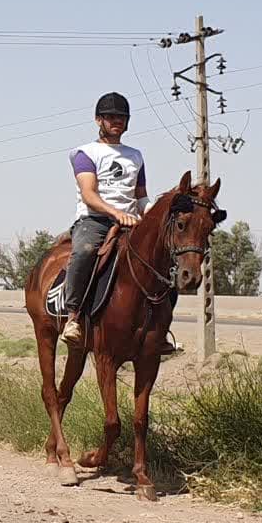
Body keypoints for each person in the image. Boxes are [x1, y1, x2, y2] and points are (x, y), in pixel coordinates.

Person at [61, 92, 152, 347]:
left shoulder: (136, 155)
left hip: (131, 222)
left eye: (122, 117)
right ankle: (73, 316)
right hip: (95, 221)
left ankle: (160, 326)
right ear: (98, 120)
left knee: (163, 257)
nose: (117, 121)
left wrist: (153, 212)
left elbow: (141, 196)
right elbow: (89, 195)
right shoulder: (85, 153)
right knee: (85, 251)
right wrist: (116, 213)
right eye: (110, 117)